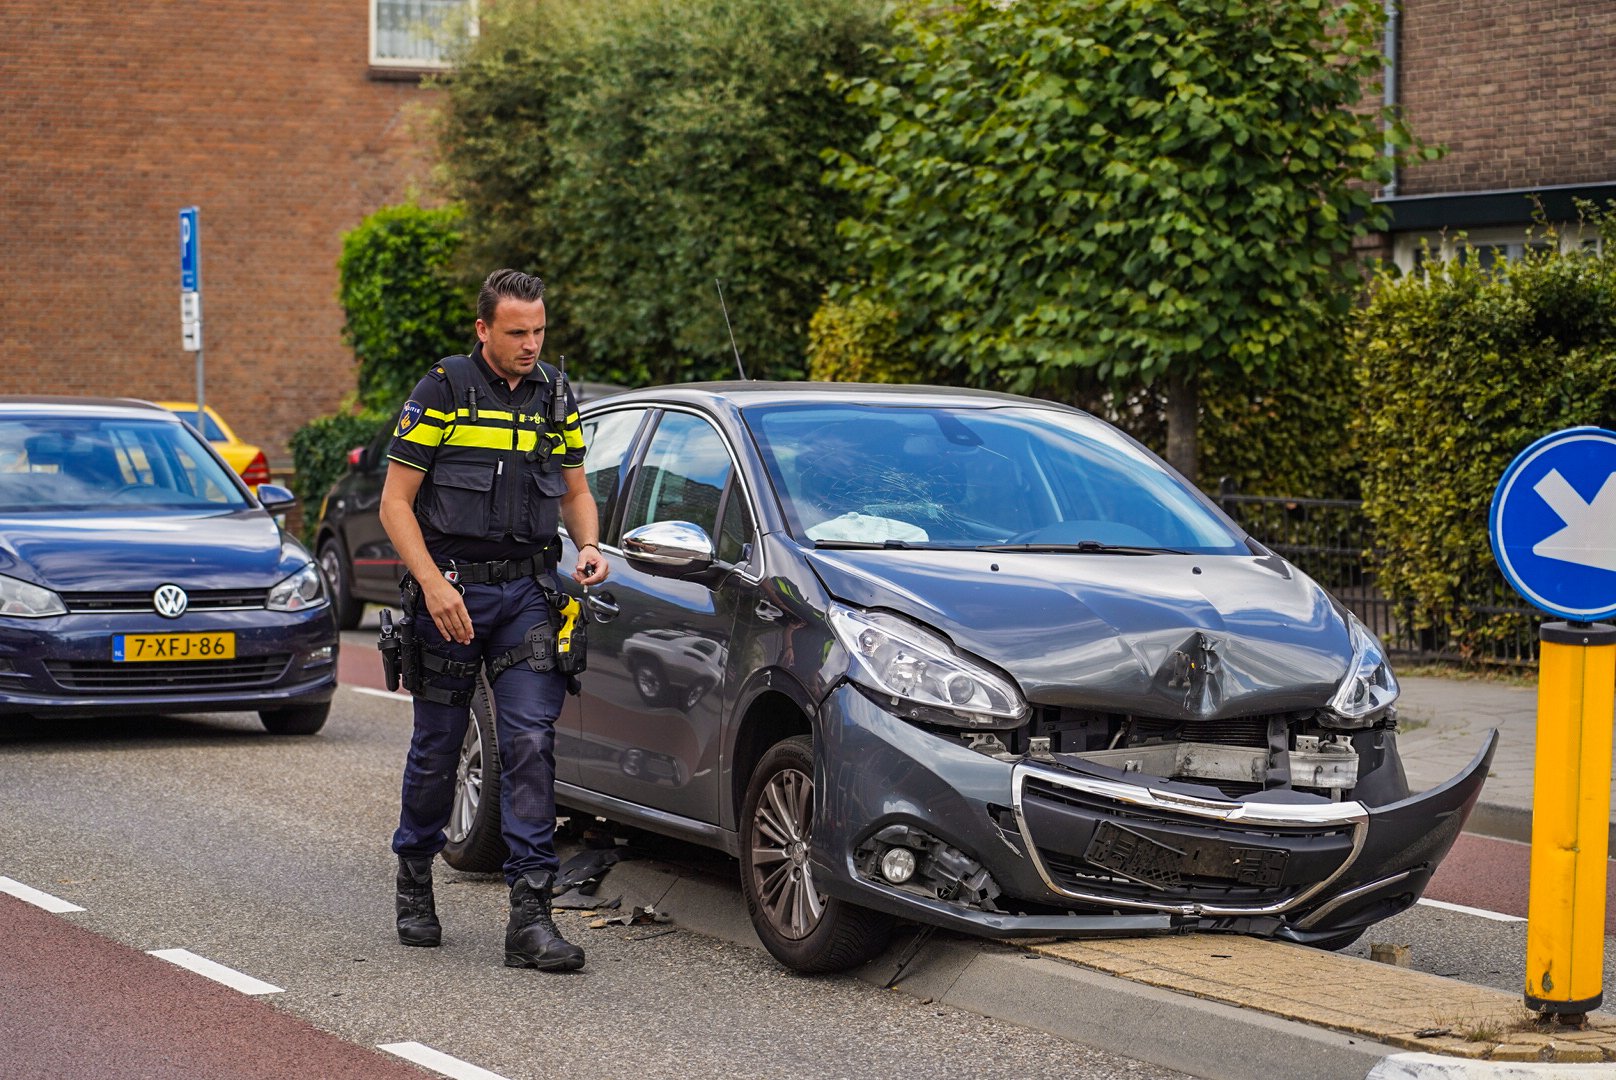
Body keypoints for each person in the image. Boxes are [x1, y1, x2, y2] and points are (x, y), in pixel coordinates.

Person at [378, 268, 609, 972]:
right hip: (448, 595)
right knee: (439, 748)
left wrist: (591, 545)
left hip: (526, 599)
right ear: (484, 329)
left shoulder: (556, 395)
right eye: (516, 332)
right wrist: (430, 583)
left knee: (531, 745)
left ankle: (530, 917)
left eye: (538, 330)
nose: (530, 344)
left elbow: (574, 490)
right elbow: (394, 502)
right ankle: (415, 876)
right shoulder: (442, 391)